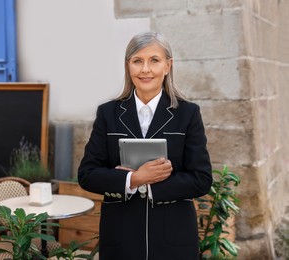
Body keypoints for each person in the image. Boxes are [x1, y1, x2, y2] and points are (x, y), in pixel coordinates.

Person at [78, 31, 212, 260]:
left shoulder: (188, 114)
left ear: (168, 66)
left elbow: (201, 179)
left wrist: (152, 183)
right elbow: (87, 174)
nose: (145, 69)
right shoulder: (108, 114)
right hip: (121, 236)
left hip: (173, 236)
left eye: (154, 60)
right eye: (137, 61)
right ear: (128, 66)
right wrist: (134, 180)